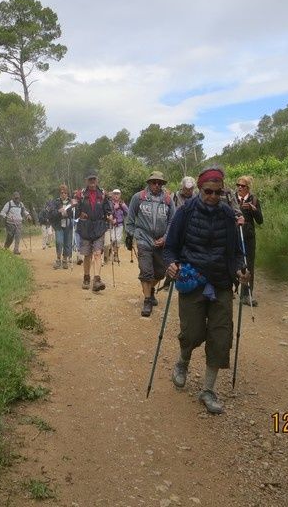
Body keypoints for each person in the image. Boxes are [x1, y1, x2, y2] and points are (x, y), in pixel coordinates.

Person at [163, 165, 248, 415]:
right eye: (208, 192)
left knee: (220, 337)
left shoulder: (226, 214)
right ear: (200, 190)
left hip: (221, 281)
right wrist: (171, 264)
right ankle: (182, 363)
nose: (212, 197)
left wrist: (242, 268)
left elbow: (236, 252)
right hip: (193, 279)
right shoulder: (185, 212)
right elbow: (170, 247)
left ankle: (208, 389)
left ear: (222, 192)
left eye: (217, 193)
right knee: (192, 332)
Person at [125, 171, 174, 317]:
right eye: (154, 182)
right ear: (149, 182)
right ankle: (147, 300)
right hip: (143, 239)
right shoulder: (138, 197)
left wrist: (165, 237)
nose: (157, 185)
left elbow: (172, 221)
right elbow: (130, 218)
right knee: (146, 271)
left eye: (160, 183)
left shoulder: (167, 200)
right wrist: (133, 234)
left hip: (161, 242)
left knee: (160, 272)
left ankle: (151, 290)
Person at [74, 173, 112, 291]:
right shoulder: (80, 195)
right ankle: (86, 277)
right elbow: (76, 213)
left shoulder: (103, 194)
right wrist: (78, 212)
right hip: (85, 227)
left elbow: (108, 210)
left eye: (94, 179)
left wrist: (109, 216)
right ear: (86, 180)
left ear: (97, 180)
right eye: (90, 179)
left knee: (97, 253)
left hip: (99, 227)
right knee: (87, 255)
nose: (92, 181)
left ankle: (97, 279)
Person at [235, 175, 263, 306]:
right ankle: (231, 290)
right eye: (238, 185)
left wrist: (253, 209)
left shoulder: (254, 200)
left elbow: (260, 221)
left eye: (243, 186)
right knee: (233, 262)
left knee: (249, 265)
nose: (240, 188)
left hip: (249, 237)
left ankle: (247, 295)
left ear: (248, 188)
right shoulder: (232, 199)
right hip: (234, 236)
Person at [48, 184, 75, 270]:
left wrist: (69, 213)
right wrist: (58, 211)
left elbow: (76, 214)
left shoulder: (72, 202)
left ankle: (64, 260)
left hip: (68, 225)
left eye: (65, 193)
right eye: (62, 192)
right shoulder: (55, 202)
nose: (63, 194)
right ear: (60, 193)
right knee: (59, 242)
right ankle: (58, 259)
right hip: (59, 225)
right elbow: (51, 214)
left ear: (67, 193)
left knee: (67, 243)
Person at [104, 189, 129, 265]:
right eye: (115, 194)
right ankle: (110, 252)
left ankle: (116, 254)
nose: (116, 195)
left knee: (117, 240)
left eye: (118, 194)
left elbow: (128, 212)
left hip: (120, 225)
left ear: (120, 195)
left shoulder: (122, 204)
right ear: (112, 195)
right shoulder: (109, 203)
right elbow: (106, 213)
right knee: (112, 240)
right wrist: (110, 219)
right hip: (111, 225)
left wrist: (123, 206)